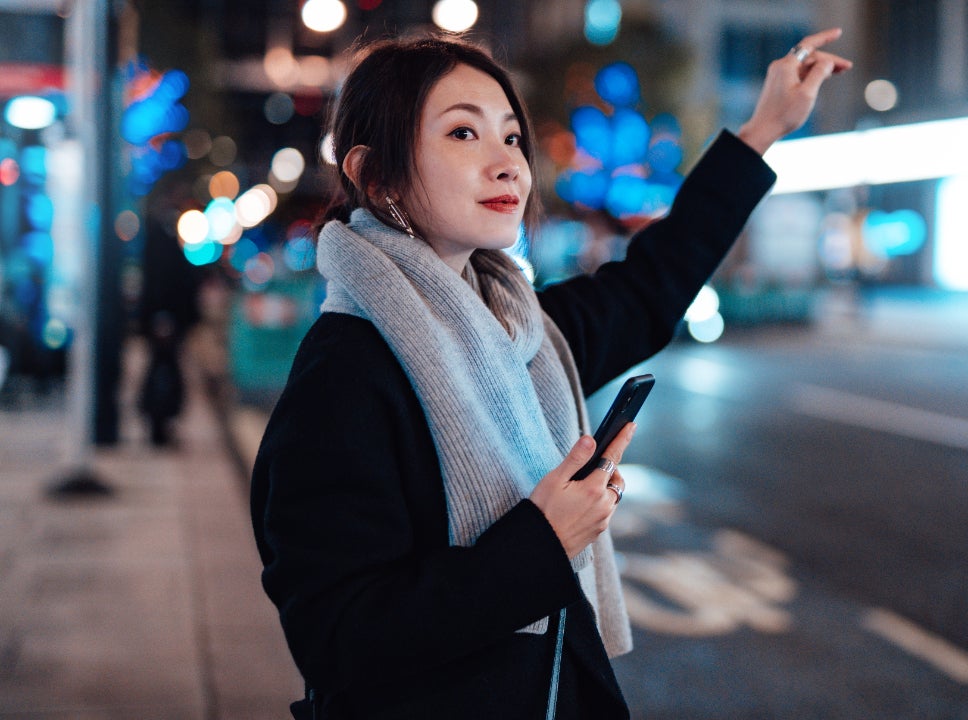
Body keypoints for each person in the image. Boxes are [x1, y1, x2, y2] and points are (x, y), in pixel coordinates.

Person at [250, 29, 850, 720]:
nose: (507, 163)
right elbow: (336, 638)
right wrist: (543, 542)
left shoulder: (523, 331)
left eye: (511, 137)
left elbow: (652, 285)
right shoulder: (344, 376)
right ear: (376, 176)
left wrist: (765, 127)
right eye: (463, 134)